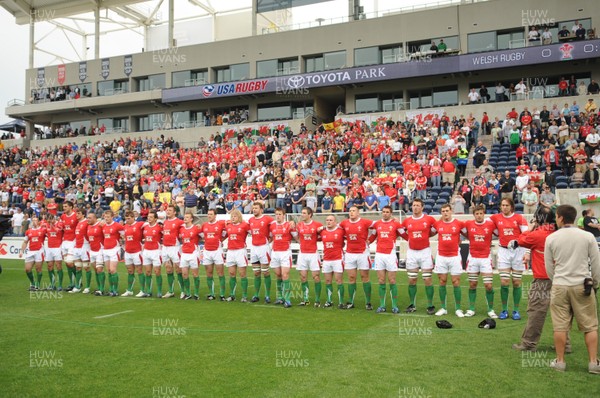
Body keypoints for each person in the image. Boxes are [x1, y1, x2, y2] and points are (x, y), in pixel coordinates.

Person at [545, 204, 600, 374]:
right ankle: (593, 363)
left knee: (560, 326)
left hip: (560, 285)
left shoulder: (551, 238)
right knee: (590, 325)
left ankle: (560, 362)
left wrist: (558, 280)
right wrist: (595, 283)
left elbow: (549, 267)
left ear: (561, 218)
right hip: (582, 284)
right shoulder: (587, 236)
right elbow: (596, 263)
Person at [512, 206, 565, 352]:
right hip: (562, 277)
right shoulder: (559, 233)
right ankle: (565, 344)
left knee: (536, 310)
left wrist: (531, 227)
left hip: (543, 278)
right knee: (562, 311)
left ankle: (529, 343)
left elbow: (522, 240)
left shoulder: (538, 234)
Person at [491, 198, 529, 320]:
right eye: (502, 205)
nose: (504, 207)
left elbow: (527, 235)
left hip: (518, 251)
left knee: (517, 282)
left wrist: (527, 252)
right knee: (504, 282)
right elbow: (483, 223)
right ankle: (504, 309)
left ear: (511, 206)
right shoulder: (496, 217)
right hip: (503, 251)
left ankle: (516, 310)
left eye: (507, 205)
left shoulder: (519, 218)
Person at [400, 198, 437, 314]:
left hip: (425, 252)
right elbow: (401, 231)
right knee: (412, 280)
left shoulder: (429, 219)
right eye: (414, 205)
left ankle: (430, 305)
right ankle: (412, 304)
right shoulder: (407, 221)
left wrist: (426, 236)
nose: (415, 207)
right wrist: (409, 239)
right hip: (411, 252)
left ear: (422, 207)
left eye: (417, 205)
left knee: (427, 280)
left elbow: (437, 229)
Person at [463, 205, 498, 318]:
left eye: (481, 213)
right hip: (472, 258)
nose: (479, 216)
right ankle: (471, 309)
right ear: (474, 215)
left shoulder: (490, 225)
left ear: (484, 214)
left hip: (485, 258)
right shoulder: (468, 224)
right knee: (473, 284)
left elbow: (499, 233)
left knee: (488, 285)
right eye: (477, 214)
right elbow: (464, 232)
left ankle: (491, 309)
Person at [339, 205, 375, 310]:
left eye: (354, 211)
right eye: (350, 211)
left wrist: (371, 239)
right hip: (349, 253)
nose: (351, 212)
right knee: (351, 278)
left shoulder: (365, 222)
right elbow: (334, 228)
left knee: (365, 277)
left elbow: (378, 227)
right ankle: (350, 302)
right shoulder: (344, 223)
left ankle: (368, 302)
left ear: (358, 213)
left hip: (362, 253)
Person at [432, 204, 465, 317]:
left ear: (451, 211)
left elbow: (467, 233)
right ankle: (443, 308)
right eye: (443, 211)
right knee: (442, 281)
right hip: (441, 256)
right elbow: (430, 232)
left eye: (447, 211)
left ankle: (458, 308)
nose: (445, 213)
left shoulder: (459, 223)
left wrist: (460, 240)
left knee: (456, 282)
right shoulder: (437, 224)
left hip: (454, 256)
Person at [371, 206, 402, 314]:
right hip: (379, 254)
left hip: (391, 255)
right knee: (381, 281)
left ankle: (394, 306)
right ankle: (382, 305)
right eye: (383, 212)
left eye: (387, 212)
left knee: (392, 280)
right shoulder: (377, 224)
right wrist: (365, 242)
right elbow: (373, 236)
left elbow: (404, 234)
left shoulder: (396, 224)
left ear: (391, 213)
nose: (385, 214)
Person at [269, 208, 297, 307]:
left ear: (284, 215)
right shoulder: (272, 225)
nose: (278, 216)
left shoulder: (289, 225)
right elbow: (270, 237)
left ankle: (287, 299)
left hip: (285, 252)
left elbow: (296, 237)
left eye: (280, 214)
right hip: (275, 252)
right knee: (278, 275)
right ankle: (280, 297)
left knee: (285, 275)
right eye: (276, 214)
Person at [296, 207, 323, 307]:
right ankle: (305, 299)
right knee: (303, 277)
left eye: (304, 213)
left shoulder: (317, 225)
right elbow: (296, 236)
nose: (302, 214)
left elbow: (322, 236)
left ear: (310, 214)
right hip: (302, 254)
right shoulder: (299, 225)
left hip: (313, 254)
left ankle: (317, 300)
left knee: (316, 277)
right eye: (301, 212)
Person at [248, 202, 274, 303]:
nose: (254, 210)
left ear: (261, 210)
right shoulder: (250, 220)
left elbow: (275, 227)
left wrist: (268, 242)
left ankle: (267, 295)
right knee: (256, 273)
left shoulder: (267, 219)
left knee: (266, 272)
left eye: (256, 208)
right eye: (253, 208)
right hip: (254, 248)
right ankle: (256, 295)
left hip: (264, 248)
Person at [200, 209, 227, 300]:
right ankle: (211, 293)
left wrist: (221, 240)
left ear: (215, 215)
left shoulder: (220, 224)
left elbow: (227, 232)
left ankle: (222, 294)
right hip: (207, 251)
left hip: (217, 251)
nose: (209, 216)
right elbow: (201, 235)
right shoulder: (204, 225)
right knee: (209, 273)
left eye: (211, 214)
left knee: (220, 272)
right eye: (208, 214)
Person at [320, 215, 346, 308]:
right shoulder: (322, 231)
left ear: (335, 222)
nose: (329, 222)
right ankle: (329, 300)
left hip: (338, 259)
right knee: (327, 281)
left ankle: (341, 302)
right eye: (327, 220)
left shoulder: (341, 231)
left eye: (331, 220)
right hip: (326, 259)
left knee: (339, 280)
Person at [224, 209, 250, 301]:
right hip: (230, 251)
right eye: (231, 216)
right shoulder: (228, 226)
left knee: (242, 274)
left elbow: (253, 232)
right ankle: (232, 295)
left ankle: (244, 295)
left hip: (240, 251)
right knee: (231, 273)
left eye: (235, 216)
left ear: (239, 217)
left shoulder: (245, 225)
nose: (233, 218)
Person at [161, 205, 184, 299]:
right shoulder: (165, 222)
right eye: (167, 210)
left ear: (175, 212)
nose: (168, 211)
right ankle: (171, 291)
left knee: (178, 269)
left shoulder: (179, 222)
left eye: (170, 210)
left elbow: (187, 225)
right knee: (168, 269)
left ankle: (183, 291)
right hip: (165, 247)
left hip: (175, 247)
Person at [122, 210, 145, 297]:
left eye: (128, 218)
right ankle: (129, 290)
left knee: (139, 270)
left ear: (133, 218)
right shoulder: (125, 226)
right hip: (128, 252)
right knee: (130, 271)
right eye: (126, 218)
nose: (127, 220)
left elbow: (148, 224)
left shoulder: (139, 224)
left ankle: (142, 290)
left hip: (137, 252)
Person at [20, 215, 46, 290]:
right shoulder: (28, 231)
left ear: (38, 222)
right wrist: (21, 251)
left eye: (35, 220)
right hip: (30, 251)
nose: (34, 221)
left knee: (38, 269)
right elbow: (25, 242)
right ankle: (33, 283)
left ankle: (37, 284)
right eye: (33, 220)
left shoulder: (43, 230)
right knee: (27, 269)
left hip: (39, 251)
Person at [102, 210, 124, 296]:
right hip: (106, 249)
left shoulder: (117, 225)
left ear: (112, 217)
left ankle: (115, 289)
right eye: (105, 217)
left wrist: (122, 241)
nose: (106, 218)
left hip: (114, 249)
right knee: (108, 270)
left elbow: (123, 234)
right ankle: (111, 289)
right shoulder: (103, 226)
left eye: (108, 217)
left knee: (113, 270)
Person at [178, 211, 200, 300]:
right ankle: (188, 293)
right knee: (184, 274)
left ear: (191, 219)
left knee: (195, 274)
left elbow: (202, 236)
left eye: (187, 217)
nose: (185, 218)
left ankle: (196, 293)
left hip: (193, 253)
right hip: (184, 253)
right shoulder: (182, 229)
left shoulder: (196, 228)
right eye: (185, 217)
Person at [142, 210, 163, 297]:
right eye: (148, 217)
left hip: (156, 252)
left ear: (155, 219)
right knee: (147, 272)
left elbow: (165, 235)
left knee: (157, 272)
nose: (149, 218)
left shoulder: (159, 228)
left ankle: (159, 291)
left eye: (151, 217)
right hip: (146, 251)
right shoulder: (145, 227)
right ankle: (149, 291)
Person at [71, 207, 92, 293]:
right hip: (77, 247)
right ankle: (78, 286)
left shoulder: (87, 222)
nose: (77, 215)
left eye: (79, 213)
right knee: (78, 267)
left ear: (83, 214)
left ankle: (87, 287)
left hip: (85, 246)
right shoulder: (78, 223)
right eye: (76, 213)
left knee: (86, 267)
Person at [59, 201, 78, 291]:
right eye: (63, 206)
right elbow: (62, 228)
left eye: (66, 206)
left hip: (73, 241)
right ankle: (71, 283)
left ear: (71, 207)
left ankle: (78, 281)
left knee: (70, 263)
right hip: (65, 241)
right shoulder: (62, 216)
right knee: (67, 263)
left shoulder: (75, 216)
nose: (64, 208)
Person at [86, 212, 105, 296]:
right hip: (92, 250)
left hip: (100, 250)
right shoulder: (88, 226)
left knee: (100, 270)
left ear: (95, 218)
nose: (88, 219)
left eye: (90, 218)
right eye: (87, 218)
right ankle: (99, 288)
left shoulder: (100, 225)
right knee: (96, 270)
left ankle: (102, 289)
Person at [43, 215, 63, 291]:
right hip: (49, 248)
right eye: (48, 220)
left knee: (58, 266)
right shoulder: (46, 226)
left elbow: (57, 231)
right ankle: (52, 284)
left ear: (54, 218)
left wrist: (52, 226)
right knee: (50, 266)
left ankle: (60, 285)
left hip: (57, 247)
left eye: (51, 219)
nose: (49, 221)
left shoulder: (59, 223)